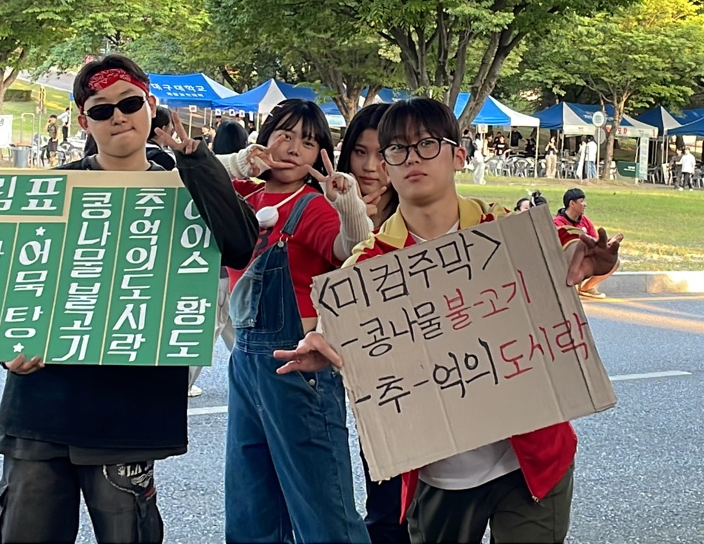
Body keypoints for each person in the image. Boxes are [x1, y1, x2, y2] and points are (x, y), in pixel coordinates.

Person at [273, 98, 622, 544]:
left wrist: (590, 258)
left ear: (458, 155)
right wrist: (322, 342)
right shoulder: (371, 262)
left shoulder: (503, 227)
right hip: (439, 475)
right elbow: (339, 318)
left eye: (427, 144)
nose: (412, 158)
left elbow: (567, 244)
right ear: (386, 166)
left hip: (534, 461)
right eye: (397, 149)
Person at [0, 55, 258, 544]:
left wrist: (195, 160)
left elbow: (240, 244)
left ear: (151, 106)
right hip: (41, 405)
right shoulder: (50, 189)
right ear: (82, 121)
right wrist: (5, 347)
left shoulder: (186, 184)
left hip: (130, 410)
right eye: (101, 109)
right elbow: (4, 277)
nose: (118, 117)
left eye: (130, 103)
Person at [217, 99, 374, 544]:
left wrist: (348, 205)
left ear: (319, 154)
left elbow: (354, 250)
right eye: (284, 135)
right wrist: (238, 162)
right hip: (245, 361)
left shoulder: (313, 205)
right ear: (264, 137)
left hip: (299, 366)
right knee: (250, 504)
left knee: (323, 511)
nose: (292, 149)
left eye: (307, 142)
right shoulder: (243, 195)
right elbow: (187, 179)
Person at [339, 104, 408, 544]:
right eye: (359, 152)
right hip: (370, 382)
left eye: (382, 154)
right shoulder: (330, 205)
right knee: (384, 501)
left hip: (428, 371)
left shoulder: (419, 211)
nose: (369, 167)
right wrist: (350, 214)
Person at [186, 121, 253, 398]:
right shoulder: (248, 185)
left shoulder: (207, 179)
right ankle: (253, 379)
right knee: (231, 332)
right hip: (236, 273)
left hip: (207, 270)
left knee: (208, 330)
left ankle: (184, 383)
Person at [554, 188, 618, 299]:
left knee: (615, 262)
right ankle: (571, 286)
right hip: (567, 260)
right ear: (572, 203)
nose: (585, 204)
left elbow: (595, 240)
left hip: (588, 257)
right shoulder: (558, 222)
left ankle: (587, 287)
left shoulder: (585, 221)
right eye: (581, 201)